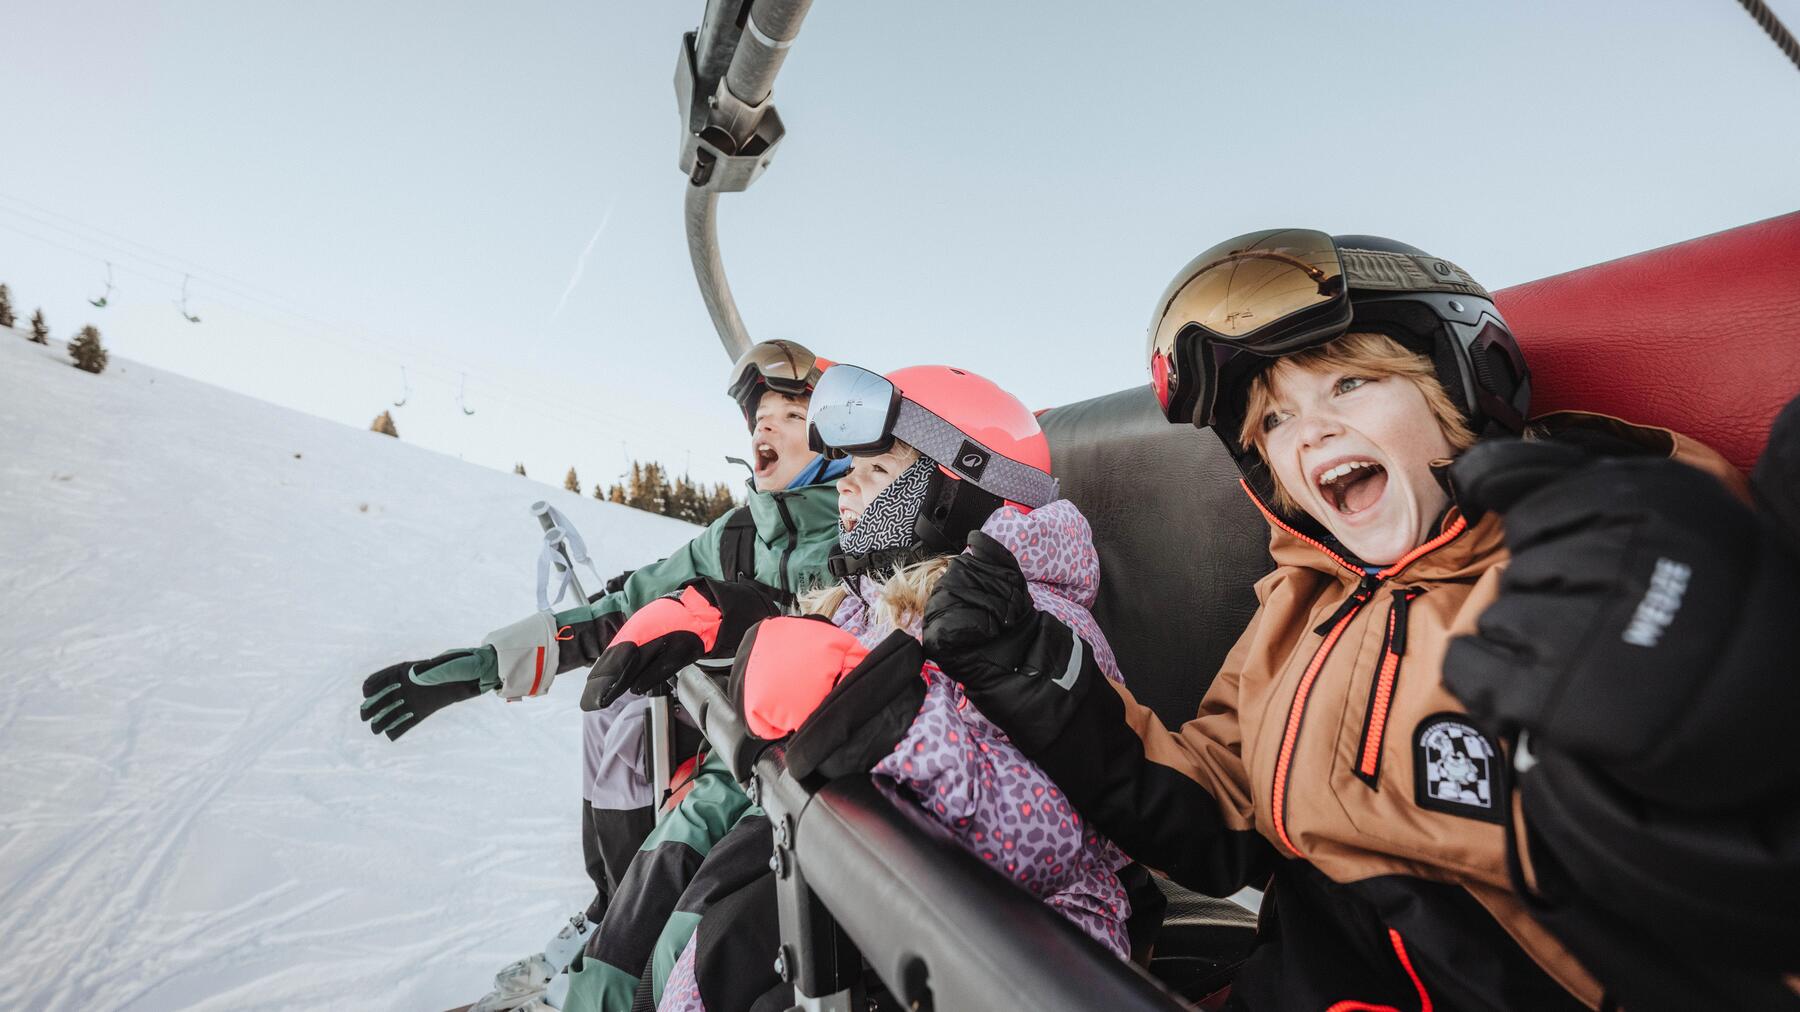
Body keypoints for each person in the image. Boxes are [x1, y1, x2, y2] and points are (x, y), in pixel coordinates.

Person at [920, 230, 1791, 1009]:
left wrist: (1727, 739)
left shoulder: (1604, 555)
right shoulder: (1300, 605)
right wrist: (1026, 665)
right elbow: (1221, 815)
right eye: (1276, 419)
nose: (1312, 431)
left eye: (1350, 382)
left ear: (1460, 390)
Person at [559, 364, 1136, 1012]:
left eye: (877, 472)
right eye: (847, 470)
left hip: (1005, 955)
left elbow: (1056, 840)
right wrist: (721, 632)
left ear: (961, 487)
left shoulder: (1038, 623)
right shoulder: (871, 600)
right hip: (864, 893)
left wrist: (886, 719)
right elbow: (812, 662)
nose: (845, 489)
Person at [356, 339, 849, 1011]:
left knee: (684, 909)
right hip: (727, 757)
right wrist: (481, 669)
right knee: (615, 721)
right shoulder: (737, 537)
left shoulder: (864, 537)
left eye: (790, 416)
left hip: (803, 775)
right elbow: (624, 608)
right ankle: (602, 939)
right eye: (761, 414)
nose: (765, 425)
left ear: (835, 445)